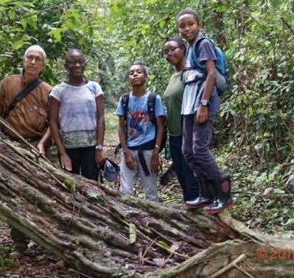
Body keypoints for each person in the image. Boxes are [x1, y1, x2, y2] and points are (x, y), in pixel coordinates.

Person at [0, 44, 52, 256]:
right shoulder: (8, 83)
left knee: (34, 193)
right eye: (29, 57)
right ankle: (19, 243)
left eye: (37, 59)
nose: (32, 62)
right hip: (9, 144)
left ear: (42, 65)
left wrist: (41, 144)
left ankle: (40, 235)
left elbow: (53, 124)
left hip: (34, 147)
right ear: (23, 61)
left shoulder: (48, 91)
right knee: (13, 192)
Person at [176, 8, 233, 214]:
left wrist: (204, 104)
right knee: (188, 152)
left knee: (200, 149)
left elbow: (210, 75)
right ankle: (206, 193)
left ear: (199, 25)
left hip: (202, 103)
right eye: (182, 26)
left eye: (190, 24)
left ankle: (224, 194)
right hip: (189, 105)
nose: (187, 28)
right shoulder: (189, 49)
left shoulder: (204, 44)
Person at [48, 49, 105, 180]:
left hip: (90, 147)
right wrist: (62, 152)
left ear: (85, 64)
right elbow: (52, 121)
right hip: (68, 148)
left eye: (80, 62)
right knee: (70, 185)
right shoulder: (59, 90)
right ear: (65, 65)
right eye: (72, 62)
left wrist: (99, 148)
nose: (77, 65)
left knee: (92, 184)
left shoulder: (94, 87)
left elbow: (100, 117)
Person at [116, 63, 165, 201]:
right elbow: (121, 127)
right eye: (131, 73)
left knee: (151, 193)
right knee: (125, 191)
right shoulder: (124, 100)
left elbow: (160, 126)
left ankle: (153, 220)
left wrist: (156, 152)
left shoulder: (154, 99)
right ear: (128, 79)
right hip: (129, 150)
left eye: (139, 72)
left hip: (148, 151)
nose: (135, 74)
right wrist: (125, 151)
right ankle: (128, 219)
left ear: (146, 77)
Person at [162, 36, 199, 202]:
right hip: (174, 135)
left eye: (173, 49)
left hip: (188, 133)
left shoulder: (189, 74)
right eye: (166, 52)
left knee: (192, 177)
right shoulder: (174, 76)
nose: (170, 54)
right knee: (183, 178)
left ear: (183, 49)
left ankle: (202, 217)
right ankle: (189, 212)